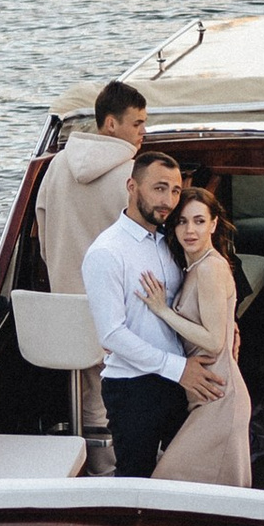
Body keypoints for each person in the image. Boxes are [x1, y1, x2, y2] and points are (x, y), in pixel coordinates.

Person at [35, 79, 147, 472]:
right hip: (117, 317)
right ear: (112, 124)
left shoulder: (55, 166)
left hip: (64, 313)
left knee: (90, 396)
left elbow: (43, 237)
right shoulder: (134, 178)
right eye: (138, 125)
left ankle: (92, 465)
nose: (143, 134)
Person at [80, 146, 189, 479]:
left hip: (175, 381)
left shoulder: (170, 242)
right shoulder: (106, 252)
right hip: (133, 388)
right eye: (159, 188)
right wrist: (180, 369)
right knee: (135, 478)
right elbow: (111, 334)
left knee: (184, 472)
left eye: (175, 191)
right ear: (132, 187)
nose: (168, 200)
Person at [148, 185, 253, 486]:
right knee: (210, 499)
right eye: (181, 221)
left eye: (199, 220)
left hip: (220, 399)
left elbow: (213, 340)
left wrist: (162, 310)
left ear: (214, 224)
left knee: (168, 482)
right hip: (208, 396)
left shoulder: (209, 268)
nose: (189, 230)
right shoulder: (196, 266)